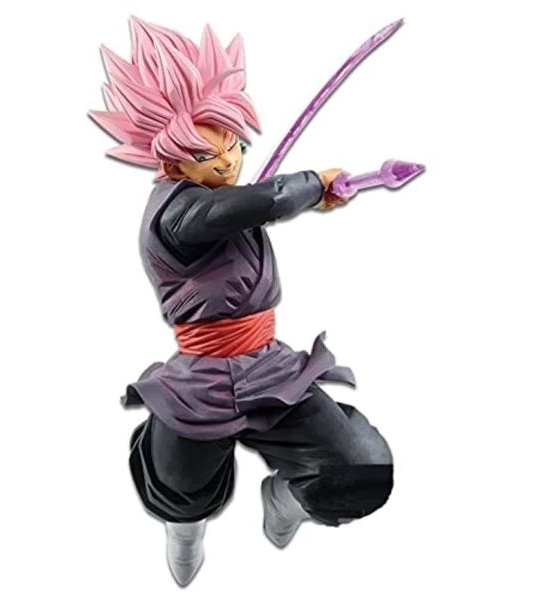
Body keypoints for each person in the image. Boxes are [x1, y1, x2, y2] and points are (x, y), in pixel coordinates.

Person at [90, 17, 393, 587]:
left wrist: (311, 194)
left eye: (234, 145)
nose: (229, 162)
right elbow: (253, 203)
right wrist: (311, 185)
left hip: (269, 367)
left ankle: (287, 501)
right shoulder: (177, 213)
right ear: (172, 160)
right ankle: (184, 530)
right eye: (210, 154)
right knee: (180, 488)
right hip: (201, 380)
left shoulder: (226, 199)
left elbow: (255, 203)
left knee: (359, 467)